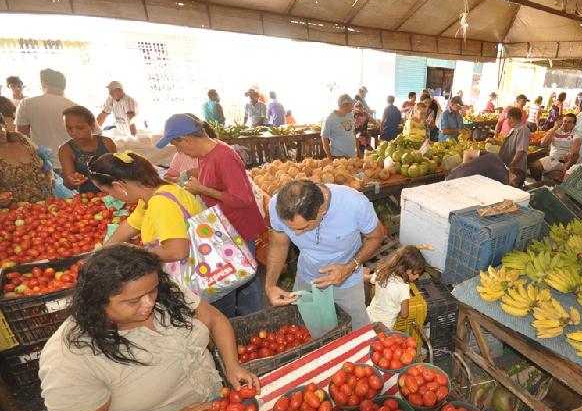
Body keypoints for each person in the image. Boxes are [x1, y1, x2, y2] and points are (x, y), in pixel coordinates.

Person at [38, 244, 259, 411]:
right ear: (96, 303)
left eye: (152, 291)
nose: (149, 303)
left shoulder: (151, 288)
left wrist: (232, 366)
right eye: (133, 301)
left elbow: (215, 319)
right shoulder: (69, 358)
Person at [156, 114, 266, 317]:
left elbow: (242, 200)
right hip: (224, 228)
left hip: (238, 228)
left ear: (186, 139)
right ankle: (239, 319)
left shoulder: (223, 156)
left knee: (247, 280)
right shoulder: (206, 155)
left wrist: (203, 189)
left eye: (177, 145)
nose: (178, 151)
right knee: (234, 276)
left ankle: (255, 319)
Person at [265, 180, 384, 331]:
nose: (296, 234)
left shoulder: (354, 204)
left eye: (303, 227)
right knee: (309, 331)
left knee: (356, 332)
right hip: (306, 279)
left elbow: (376, 237)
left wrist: (350, 266)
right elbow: (279, 244)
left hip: (347, 283)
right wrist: (270, 285)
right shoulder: (277, 205)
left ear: (322, 211)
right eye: (291, 228)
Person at [94, 151, 203, 263]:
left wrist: (130, 255)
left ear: (119, 186)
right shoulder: (151, 194)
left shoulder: (161, 202)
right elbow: (130, 226)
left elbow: (176, 252)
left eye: (107, 191)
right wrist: (103, 253)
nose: (110, 196)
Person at [15, 69, 75, 167]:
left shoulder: (27, 104)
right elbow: (95, 134)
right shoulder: (75, 107)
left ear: (43, 83)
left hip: (42, 163)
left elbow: (22, 137)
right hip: (71, 164)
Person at [60, 105, 118, 194]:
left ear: (92, 126)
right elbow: (69, 185)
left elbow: (118, 171)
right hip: (88, 200)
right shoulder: (66, 150)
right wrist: (72, 181)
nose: (74, 133)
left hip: (114, 194)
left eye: (80, 128)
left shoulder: (107, 143)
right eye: (69, 128)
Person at [364, 245, 425, 326]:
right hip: (385, 325)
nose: (417, 276)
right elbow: (405, 314)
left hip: (369, 316)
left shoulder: (383, 272)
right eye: (415, 273)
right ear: (403, 268)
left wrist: (364, 274)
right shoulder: (403, 287)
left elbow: (366, 279)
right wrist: (397, 311)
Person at [0, 117, 54, 205]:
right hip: (17, 210)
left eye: (0, 128)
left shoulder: (18, 137)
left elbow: (43, 155)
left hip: (47, 200)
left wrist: (49, 174)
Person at [531, 113, 582, 181]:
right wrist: (554, 128)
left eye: (569, 122)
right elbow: (543, 144)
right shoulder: (556, 131)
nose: (566, 124)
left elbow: (577, 143)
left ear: (574, 125)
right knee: (534, 166)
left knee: (575, 155)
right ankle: (540, 183)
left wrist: (569, 154)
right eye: (564, 121)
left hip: (569, 159)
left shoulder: (577, 133)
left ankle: (563, 180)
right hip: (553, 158)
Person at [446, 152, 526, 188]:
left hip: (451, 175)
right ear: (512, 176)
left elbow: (467, 152)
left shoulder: (494, 157)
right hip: (456, 185)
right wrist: (464, 179)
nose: (509, 186)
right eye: (511, 184)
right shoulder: (503, 179)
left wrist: (464, 170)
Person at [487, 107, 528, 171]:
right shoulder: (514, 129)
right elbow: (510, 145)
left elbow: (520, 152)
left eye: (506, 119)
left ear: (512, 119)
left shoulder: (522, 130)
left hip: (516, 168)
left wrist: (512, 164)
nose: (505, 122)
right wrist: (496, 142)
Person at [322, 94, 357, 159]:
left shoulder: (350, 115)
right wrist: (329, 156)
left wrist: (358, 150)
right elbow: (324, 138)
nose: (352, 106)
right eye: (350, 104)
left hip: (352, 155)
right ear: (344, 105)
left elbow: (353, 133)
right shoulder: (330, 118)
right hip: (338, 156)